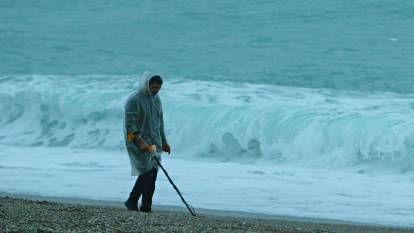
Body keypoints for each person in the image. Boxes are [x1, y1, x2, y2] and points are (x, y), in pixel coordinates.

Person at [123, 71, 171, 212]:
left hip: (154, 142)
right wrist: (140, 142)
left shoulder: (156, 100)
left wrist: (164, 142)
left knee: (153, 173)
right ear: (147, 84)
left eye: (158, 88)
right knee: (146, 172)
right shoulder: (134, 100)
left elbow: (159, 123)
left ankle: (146, 205)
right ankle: (132, 201)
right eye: (154, 88)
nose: (156, 91)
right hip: (136, 140)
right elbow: (129, 125)